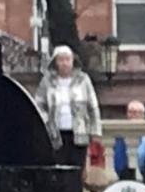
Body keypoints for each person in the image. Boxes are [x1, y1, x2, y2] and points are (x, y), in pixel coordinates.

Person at [33, 44, 100, 175]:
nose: (64, 63)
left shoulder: (83, 79)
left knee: (77, 171)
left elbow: (93, 107)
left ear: (73, 60)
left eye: (67, 59)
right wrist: (47, 121)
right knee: (58, 171)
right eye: (61, 59)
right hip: (55, 135)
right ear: (55, 62)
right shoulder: (47, 81)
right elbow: (39, 105)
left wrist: (95, 131)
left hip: (79, 133)